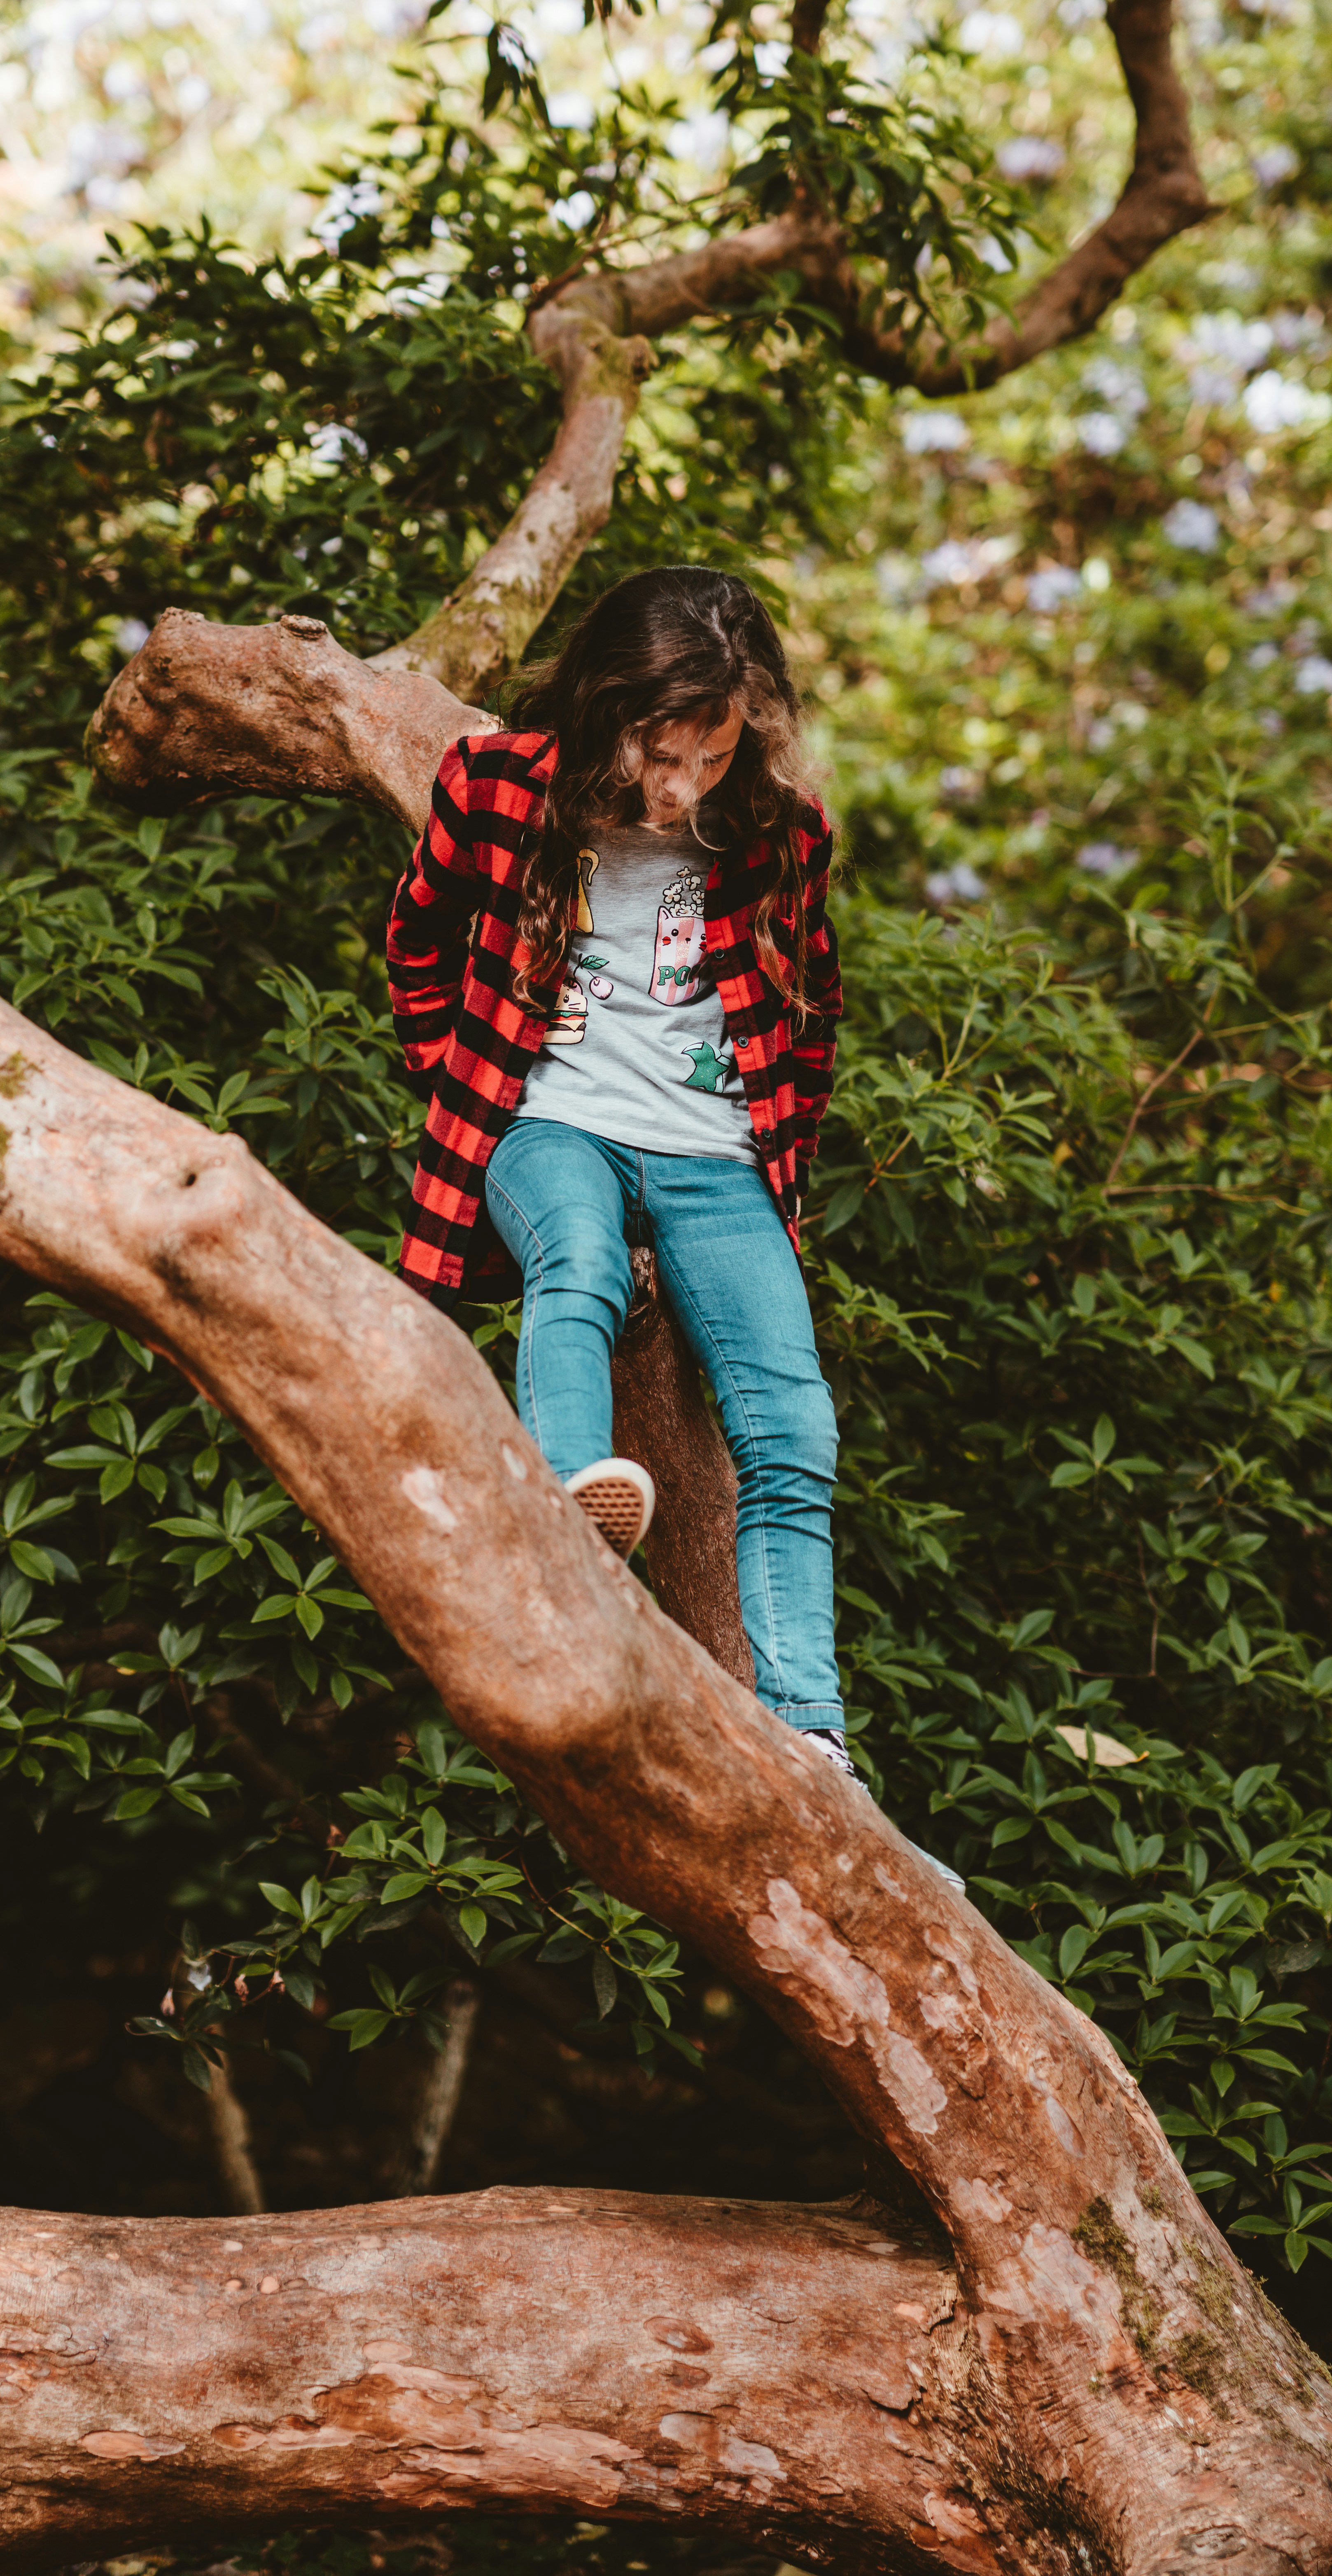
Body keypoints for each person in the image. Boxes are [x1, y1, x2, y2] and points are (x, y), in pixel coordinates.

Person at [384, 564, 857, 1779]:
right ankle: (568, 1520)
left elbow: (810, 1015)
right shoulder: (497, 789)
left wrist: (773, 1150)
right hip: (553, 1125)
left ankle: (812, 1734)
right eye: (660, 753)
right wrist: (459, 1076)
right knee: (580, 1263)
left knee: (795, 1429)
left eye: (710, 756)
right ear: (607, 706)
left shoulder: (780, 833)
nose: (680, 785)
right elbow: (416, 933)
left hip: (714, 1160)